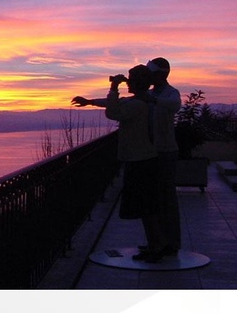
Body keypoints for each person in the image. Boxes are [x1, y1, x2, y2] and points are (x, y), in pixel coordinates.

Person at [74, 65, 168, 262]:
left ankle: (157, 247)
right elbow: (114, 105)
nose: (128, 82)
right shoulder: (141, 101)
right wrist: (90, 101)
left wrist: (114, 87)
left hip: (140, 160)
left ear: (137, 82)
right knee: (146, 206)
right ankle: (155, 244)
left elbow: (113, 112)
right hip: (143, 158)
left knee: (146, 207)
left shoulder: (138, 105)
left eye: (130, 79)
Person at [139, 57, 182, 254]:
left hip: (166, 152)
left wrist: (153, 100)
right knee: (153, 199)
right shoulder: (148, 94)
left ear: (161, 74)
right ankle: (157, 241)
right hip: (150, 154)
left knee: (167, 199)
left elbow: (174, 105)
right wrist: (90, 101)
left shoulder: (171, 93)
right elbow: (125, 103)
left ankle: (171, 243)